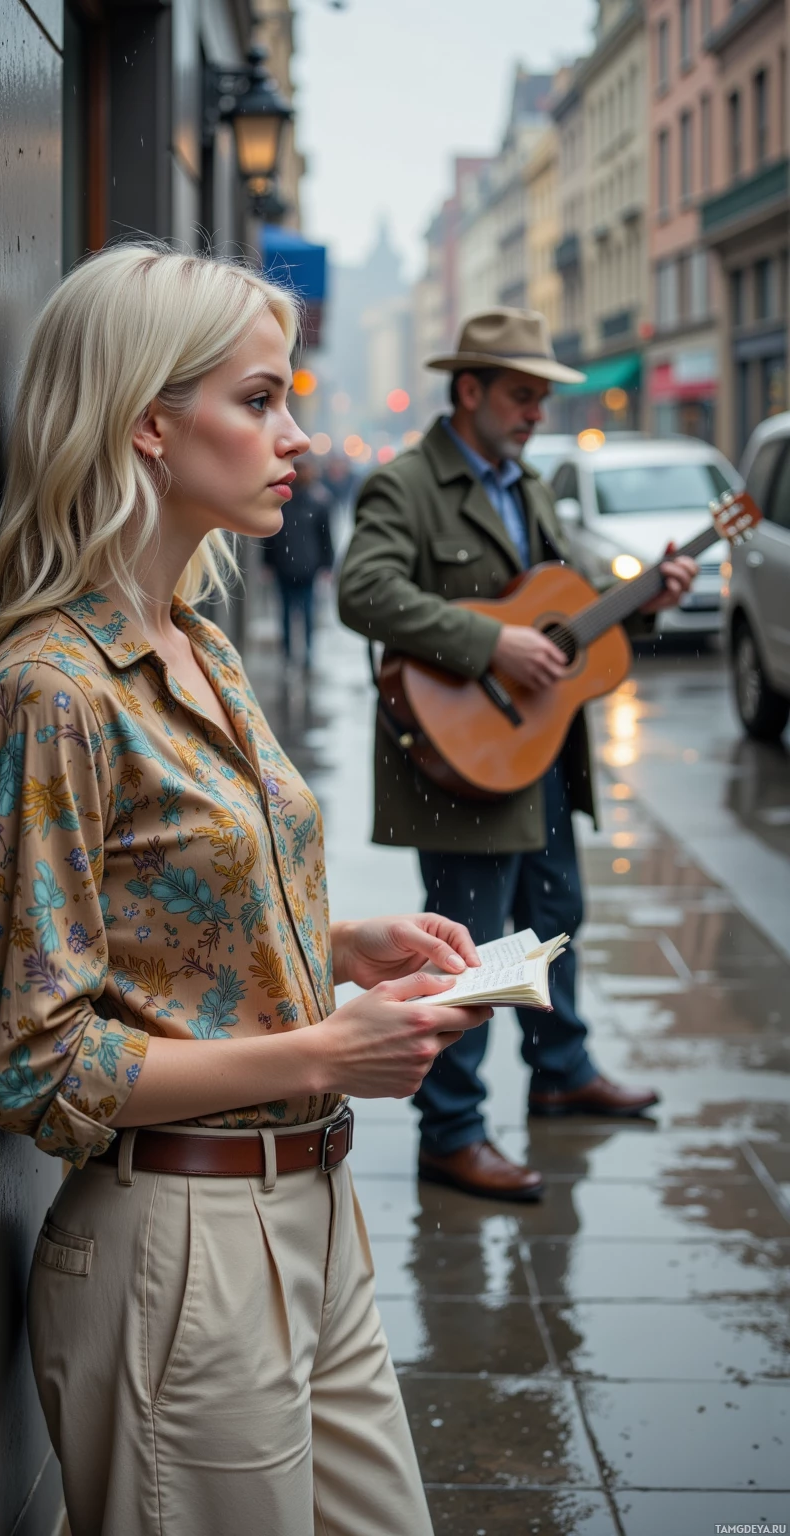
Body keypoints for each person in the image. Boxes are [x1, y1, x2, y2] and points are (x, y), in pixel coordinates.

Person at [0, 246, 491, 1536]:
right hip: (177, 1243)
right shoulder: (51, 692)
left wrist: (342, 942)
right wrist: (322, 1047)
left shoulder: (192, 637)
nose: (295, 434)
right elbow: (31, 1063)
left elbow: (178, 916)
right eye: (258, 400)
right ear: (148, 420)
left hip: (308, 1206)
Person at [338, 307, 697, 1203]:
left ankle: (562, 1073)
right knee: (472, 954)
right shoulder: (410, 484)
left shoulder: (528, 486)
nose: (538, 411)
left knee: (555, 918)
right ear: (470, 391)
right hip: (463, 761)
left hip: (537, 757)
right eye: (523, 394)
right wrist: (486, 645)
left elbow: (572, 606)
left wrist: (649, 598)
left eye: (543, 397)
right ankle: (452, 1133)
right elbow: (364, 590)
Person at [261, 455, 334, 666]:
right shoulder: (287, 502)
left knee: (303, 612)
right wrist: (268, 562)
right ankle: (291, 653)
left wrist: (327, 564)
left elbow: (325, 536)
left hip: (303, 567)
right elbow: (271, 535)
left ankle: (303, 653)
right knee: (290, 612)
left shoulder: (317, 502)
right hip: (291, 566)